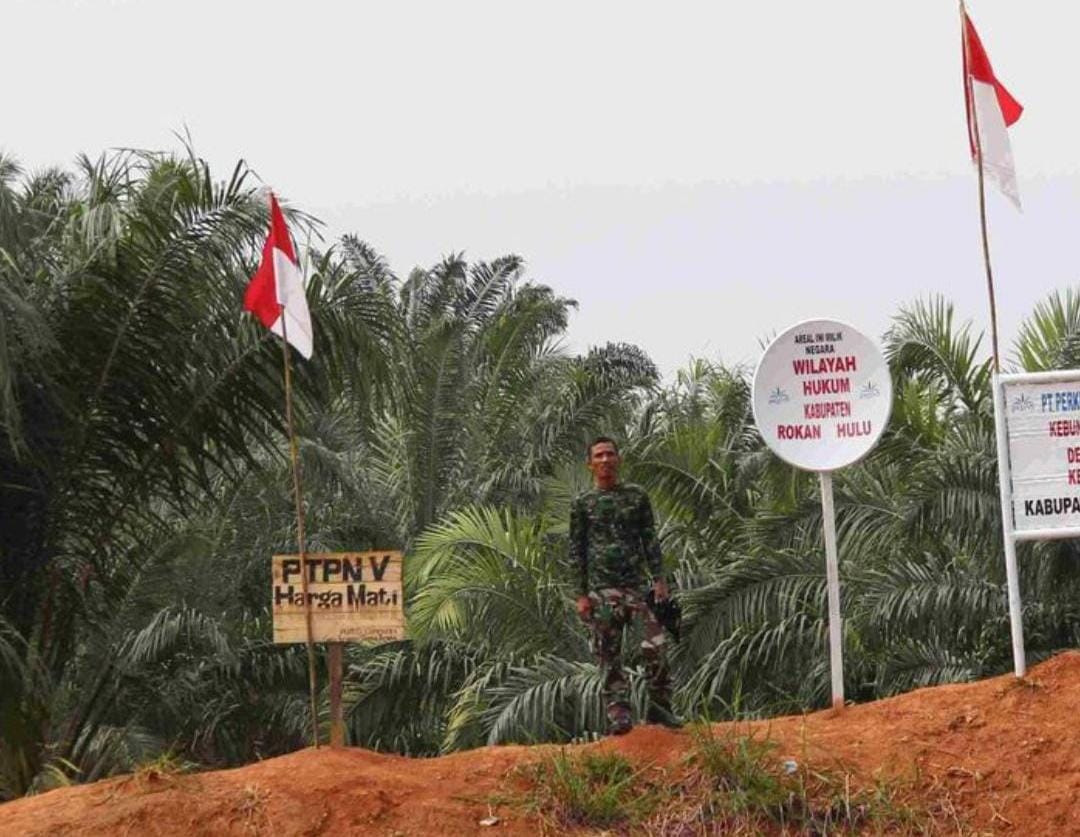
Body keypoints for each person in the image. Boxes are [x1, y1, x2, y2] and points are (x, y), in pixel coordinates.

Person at [570, 435, 677, 735]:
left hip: (637, 587)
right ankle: (619, 716)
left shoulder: (636, 496)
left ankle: (660, 710)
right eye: (599, 456)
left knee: (655, 647)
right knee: (609, 655)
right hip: (602, 592)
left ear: (619, 459)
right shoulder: (582, 503)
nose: (605, 460)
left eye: (610, 454)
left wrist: (659, 579)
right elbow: (576, 550)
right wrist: (580, 595)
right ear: (590, 464)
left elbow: (649, 539)